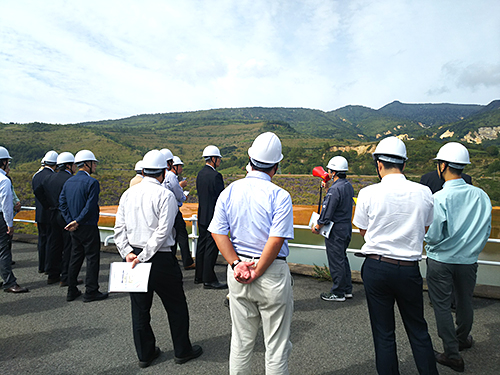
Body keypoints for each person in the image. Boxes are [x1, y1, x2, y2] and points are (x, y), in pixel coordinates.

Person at [209, 132, 294, 374]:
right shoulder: (280, 196)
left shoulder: (230, 191)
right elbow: (275, 240)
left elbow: (218, 232)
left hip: (237, 273)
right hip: (272, 273)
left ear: (250, 159)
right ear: (276, 166)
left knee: (241, 342)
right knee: (276, 347)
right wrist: (258, 269)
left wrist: (236, 264)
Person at [352, 136, 438, 375]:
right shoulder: (424, 192)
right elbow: (425, 228)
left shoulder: (368, 192)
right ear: (404, 164)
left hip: (377, 267)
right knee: (418, 330)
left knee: (384, 333)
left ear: (378, 164)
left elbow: (363, 230)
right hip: (409, 268)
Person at [114, 149, 203, 368]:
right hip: (160, 259)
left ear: (143, 170)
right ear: (164, 172)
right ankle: (182, 350)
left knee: (140, 308)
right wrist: (144, 256)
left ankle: (145, 354)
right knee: (176, 305)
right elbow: (162, 232)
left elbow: (119, 230)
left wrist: (128, 254)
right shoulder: (166, 196)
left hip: (133, 256)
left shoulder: (128, 194)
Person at [425, 142, 492, 373]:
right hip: (467, 261)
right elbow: (485, 230)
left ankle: (452, 354)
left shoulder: (439, 198)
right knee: (464, 301)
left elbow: (433, 236)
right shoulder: (480, 196)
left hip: (440, 261)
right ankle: (463, 339)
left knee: (442, 306)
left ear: (442, 166)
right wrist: (471, 250)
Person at [59, 150, 108, 302]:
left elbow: (62, 203)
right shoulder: (92, 182)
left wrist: (71, 221)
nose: (95, 166)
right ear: (87, 164)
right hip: (87, 225)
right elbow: (90, 206)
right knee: (92, 258)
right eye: (94, 163)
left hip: (75, 227)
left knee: (75, 257)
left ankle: (71, 290)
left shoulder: (69, 182)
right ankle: (91, 291)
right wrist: (78, 220)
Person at [312, 156, 354, 302]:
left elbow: (327, 212)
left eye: (330, 170)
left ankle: (338, 292)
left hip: (336, 230)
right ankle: (347, 289)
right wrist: (328, 190)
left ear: (334, 172)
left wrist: (317, 226)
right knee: (342, 258)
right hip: (346, 227)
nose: (328, 173)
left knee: (336, 261)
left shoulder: (335, 190)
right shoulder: (347, 185)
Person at [42, 152, 77, 286]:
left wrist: (48, 206)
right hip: (66, 215)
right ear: (68, 165)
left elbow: (39, 192)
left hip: (53, 214)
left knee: (54, 244)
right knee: (68, 245)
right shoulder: (70, 180)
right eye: (73, 164)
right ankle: (66, 276)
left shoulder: (49, 178)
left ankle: (52, 274)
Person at [195, 145, 227, 289]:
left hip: (202, 215)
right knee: (211, 248)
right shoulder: (216, 176)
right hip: (213, 216)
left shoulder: (200, 174)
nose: (220, 160)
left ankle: (199, 276)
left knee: (201, 245)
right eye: (218, 158)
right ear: (213, 159)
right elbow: (221, 198)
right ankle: (209, 279)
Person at [0, 146, 29, 293]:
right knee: (4, 251)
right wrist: (9, 224)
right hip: (1, 219)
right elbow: (6, 205)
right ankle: (10, 282)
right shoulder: (4, 180)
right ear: (3, 162)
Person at [32, 150, 58, 274]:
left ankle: (41, 265)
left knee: (41, 241)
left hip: (39, 214)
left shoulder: (36, 175)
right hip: (50, 214)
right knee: (51, 241)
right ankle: (49, 266)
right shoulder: (51, 177)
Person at [171, 156, 195, 270]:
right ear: (174, 166)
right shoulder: (172, 177)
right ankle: (187, 261)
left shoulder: (164, 176)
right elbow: (178, 196)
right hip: (174, 211)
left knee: (173, 237)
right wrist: (181, 188)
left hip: (170, 212)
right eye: (180, 166)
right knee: (182, 235)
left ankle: (173, 260)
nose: (181, 168)